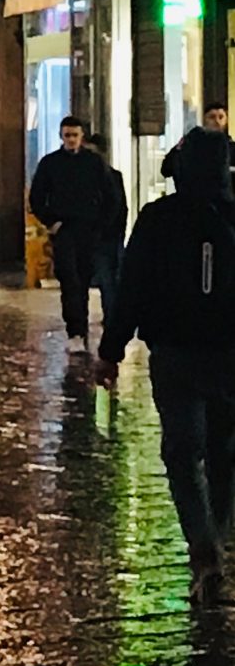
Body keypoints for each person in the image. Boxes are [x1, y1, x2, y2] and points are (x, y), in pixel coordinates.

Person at [97, 128, 235, 605]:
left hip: (176, 353)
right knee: (224, 453)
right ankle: (216, 539)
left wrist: (110, 350)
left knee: (182, 452)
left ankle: (205, 551)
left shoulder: (158, 219)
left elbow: (130, 287)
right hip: (227, 355)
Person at [29, 114, 114, 352]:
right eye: (67, 135)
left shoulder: (95, 163)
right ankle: (75, 330)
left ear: (82, 136)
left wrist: (101, 226)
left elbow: (111, 196)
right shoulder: (50, 163)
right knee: (70, 280)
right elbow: (36, 197)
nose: (71, 140)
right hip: (64, 229)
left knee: (83, 280)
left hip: (88, 230)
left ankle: (80, 328)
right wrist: (51, 222)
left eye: (75, 135)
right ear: (61, 136)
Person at [86, 133, 128, 329]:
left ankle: (111, 318)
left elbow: (120, 208)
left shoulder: (112, 176)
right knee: (104, 280)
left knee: (107, 280)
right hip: (96, 236)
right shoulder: (84, 177)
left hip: (105, 237)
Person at [161, 102, 232, 183]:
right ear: (204, 120)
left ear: (226, 120)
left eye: (221, 117)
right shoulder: (191, 144)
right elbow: (166, 168)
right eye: (212, 117)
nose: (217, 121)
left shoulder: (232, 148)